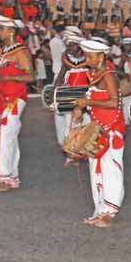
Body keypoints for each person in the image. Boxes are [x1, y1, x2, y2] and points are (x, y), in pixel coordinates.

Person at [72, 40, 125, 228]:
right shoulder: (95, 75)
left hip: (112, 130)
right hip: (98, 129)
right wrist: (81, 108)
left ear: (101, 57)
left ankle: (109, 212)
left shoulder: (109, 75)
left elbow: (113, 103)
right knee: (96, 171)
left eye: (90, 56)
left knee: (111, 171)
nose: (87, 60)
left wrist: (87, 104)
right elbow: (93, 97)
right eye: (86, 56)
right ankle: (100, 210)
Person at [0, 15, 35, 192]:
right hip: (3, 98)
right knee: (10, 137)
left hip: (15, 99)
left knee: (5, 135)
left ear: (11, 32)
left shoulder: (20, 52)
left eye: (2, 29)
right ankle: (12, 177)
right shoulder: (6, 51)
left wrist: (5, 77)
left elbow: (30, 76)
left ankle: (4, 177)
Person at [53, 33, 88, 165]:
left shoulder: (89, 58)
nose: (68, 48)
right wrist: (55, 91)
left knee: (87, 125)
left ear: (78, 46)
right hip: (69, 96)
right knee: (71, 124)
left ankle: (86, 152)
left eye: (71, 45)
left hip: (86, 95)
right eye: (68, 45)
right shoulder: (66, 58)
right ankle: (72, 155)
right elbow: (62, 73)